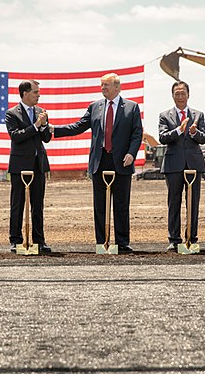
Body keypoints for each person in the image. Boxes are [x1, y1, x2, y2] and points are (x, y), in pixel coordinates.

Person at [52, 73, 143, 253]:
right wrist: (54, 130)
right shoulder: (95, 107)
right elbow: (78, 126)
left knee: (121, 204)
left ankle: (122, 243)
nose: (103, 89)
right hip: (99, 161)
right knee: (99, 205)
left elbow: (137, 133)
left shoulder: (131, 108)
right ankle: (102, 243)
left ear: (117, 87)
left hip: (122, 162)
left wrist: (132, 153)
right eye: (101, 85)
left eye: (106, 85)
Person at [158, 81, 205, 251]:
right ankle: (174, 239)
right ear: (172, 95)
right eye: (177, 93)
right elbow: (163, 138)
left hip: (194, 163)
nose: (180, 96)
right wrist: (179, 130)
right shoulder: (165, 115)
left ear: (188, 94)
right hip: (173, 165)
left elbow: (203, 139)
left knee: (193, 203)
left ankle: (191, 238)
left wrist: (194, 132)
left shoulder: (198, 114)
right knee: (174, 202)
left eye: (183, 93)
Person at [6, 80, 52, 253]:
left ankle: (39, 240)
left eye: (38, 92)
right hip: (19, 165)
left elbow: (46, 138)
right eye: (35, 92)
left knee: (37, 204)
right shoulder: (12, 114)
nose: (38, 95)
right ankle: (15, 240)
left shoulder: (41, 112)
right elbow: (16, 136)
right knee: (17, 204)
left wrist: (45, 125)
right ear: (25, 93)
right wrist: (36, 126)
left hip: (38, 164)